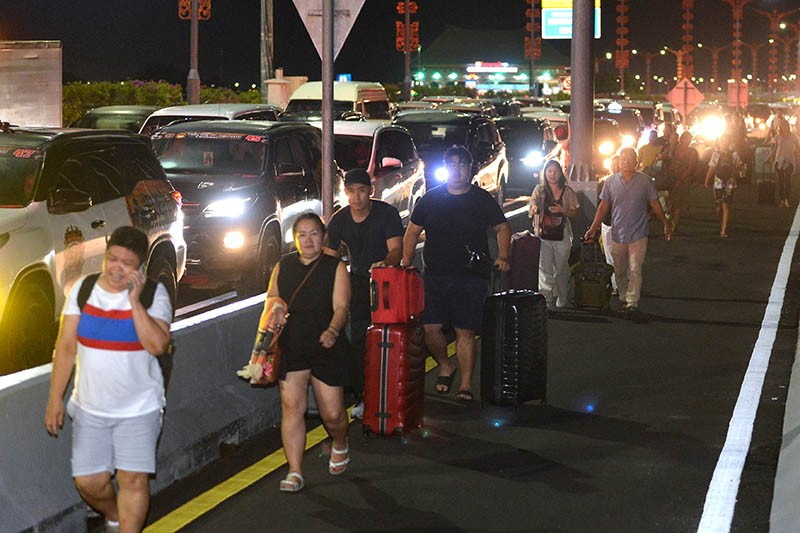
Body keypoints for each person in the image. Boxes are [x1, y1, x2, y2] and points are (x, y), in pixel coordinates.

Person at [44, 226, 173, 533]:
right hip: (90, 408)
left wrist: (134, 303)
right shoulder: (84, 290)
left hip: (139, 408)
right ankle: (115, 516)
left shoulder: (155, 294)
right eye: (112, 258)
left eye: (127, 263)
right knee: (88, 482)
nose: (117, 267)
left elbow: (157, 345)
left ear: (140, 267)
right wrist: (54, 399)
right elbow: (65, 347)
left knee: (133, 479)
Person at [402, 145, 511, 402]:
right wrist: (406, 262)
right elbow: (412, 231)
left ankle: (465, 385)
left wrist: (503, 256)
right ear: (445, 168)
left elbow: (502, 228)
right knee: (430, 329)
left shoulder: (481, 198)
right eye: (452, 164)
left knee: (465, 331)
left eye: (462, 164)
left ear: (470, 168)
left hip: (471, 275)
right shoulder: (431, 198)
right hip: (436, 275)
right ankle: (445, 364)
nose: (457, 169)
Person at [258, 213, 350, 493]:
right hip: (292, 344)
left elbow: (341, 308)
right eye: (302, 235)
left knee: (333, 413)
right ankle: (295, 471)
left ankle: (340, 442)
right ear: (294, 239)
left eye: (314, 234)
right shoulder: (283, 265)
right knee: (292, 408)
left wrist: (333, 331)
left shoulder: (335, 267)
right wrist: (275, 307)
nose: (308, 240)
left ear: (323, 238)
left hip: (325, 345)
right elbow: (272, 294)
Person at [326, 168, 404, 419]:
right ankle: (363, 396)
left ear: (370, 190)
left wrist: (385, 263)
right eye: (351, 192)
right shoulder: (339, 220)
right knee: (359, 340)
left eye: (361, 191)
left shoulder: (386, 214)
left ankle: (393, 390)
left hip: (387, 282)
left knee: (390, 338)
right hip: (358, 284)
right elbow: (330, 258)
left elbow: (396, 250)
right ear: (345, 193)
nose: (357, 197)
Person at [584, 147, 672, 321]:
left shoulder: (645, 181)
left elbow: (654, 203)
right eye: (623, 158)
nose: (625, 161)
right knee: (619, 269)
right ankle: (624, 297)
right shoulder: (610, 182)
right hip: (618, 233)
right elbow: (603, 207)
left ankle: (632, 302)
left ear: (636, 161)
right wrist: (593, 227)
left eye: (629, 159)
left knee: (635, 268)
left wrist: (665, 223)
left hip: (639, 233)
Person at [529, 160, 580, 310]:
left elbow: (574, 212)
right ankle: (546, 298)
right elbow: (533, 204)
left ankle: (562, 298)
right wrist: (534, 209)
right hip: (543, 233)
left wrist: (562, 211)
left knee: (562, 266)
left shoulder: (567, 191)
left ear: (560, 173)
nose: (552, 174)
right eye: (549, 171)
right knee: (544, 267)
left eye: (555, 171)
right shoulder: (539, 190)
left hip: (562, 234)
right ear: (545, 173)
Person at [704, 135, 742, 237]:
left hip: (730, 182)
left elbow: (738, 167)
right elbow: (711, 168)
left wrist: (736, 172)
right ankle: (722, 222)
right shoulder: (716, 154)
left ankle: (723, 230)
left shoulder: (734, 155)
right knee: (718, 207)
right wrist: (706, 180)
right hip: (718, 182)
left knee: (725, 205)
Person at [668, 131, 699, 232]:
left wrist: (681, 179)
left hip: (684, 179)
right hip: (673, 177)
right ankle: (671, 220)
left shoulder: (692, 152)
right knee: (671, 200)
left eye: (688, 139)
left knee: (677, 201)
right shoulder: (675, 149)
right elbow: (669, 159)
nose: (687, 141)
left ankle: (674, 224)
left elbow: (691, 168)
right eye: (685, 139)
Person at [598, 154, 620, 293]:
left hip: (624, 224)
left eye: (619, 164)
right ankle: (616, 284)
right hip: (608, 224)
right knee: (610, 256)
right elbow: (601, 207)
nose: (616, 167)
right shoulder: (603, 183)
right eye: (614, 164)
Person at [768, 119, 800, 208]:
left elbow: (798, 147)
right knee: (781, 180)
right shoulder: (777, 137)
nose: (784, 127)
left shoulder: (794, 136)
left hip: (790, 160)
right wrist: (769, 158)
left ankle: (787, 199)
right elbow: (774, 149)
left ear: (788, 126)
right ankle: (782, 199)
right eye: (782, 125)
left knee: (788, 179)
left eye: (785, 125)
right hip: (779, 160)